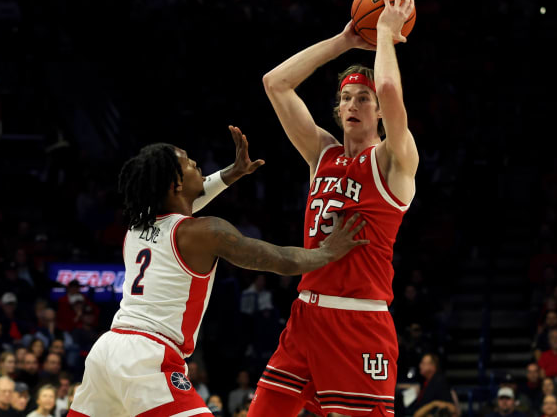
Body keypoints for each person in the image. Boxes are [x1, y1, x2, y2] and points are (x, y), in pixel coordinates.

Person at [67, 126, 368, 417]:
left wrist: (231, 173)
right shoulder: (203, 231)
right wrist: (327, 252)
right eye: (188, 162)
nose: (197, 163)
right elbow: (280, 260)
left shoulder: (138, 225)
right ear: (176, 184)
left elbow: (185, 201)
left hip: (107, 350)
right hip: (148, 356)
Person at [248, 0, 417, 417]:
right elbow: (276, 83)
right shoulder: (321, 154)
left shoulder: (394, 161)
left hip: (360, 323)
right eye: (345, 98)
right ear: (337, 110)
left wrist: (383, 34)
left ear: (378, 112)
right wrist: (343, 41)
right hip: (306, 316)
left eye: (363, 99)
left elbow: (390, 89)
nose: (353, 104)